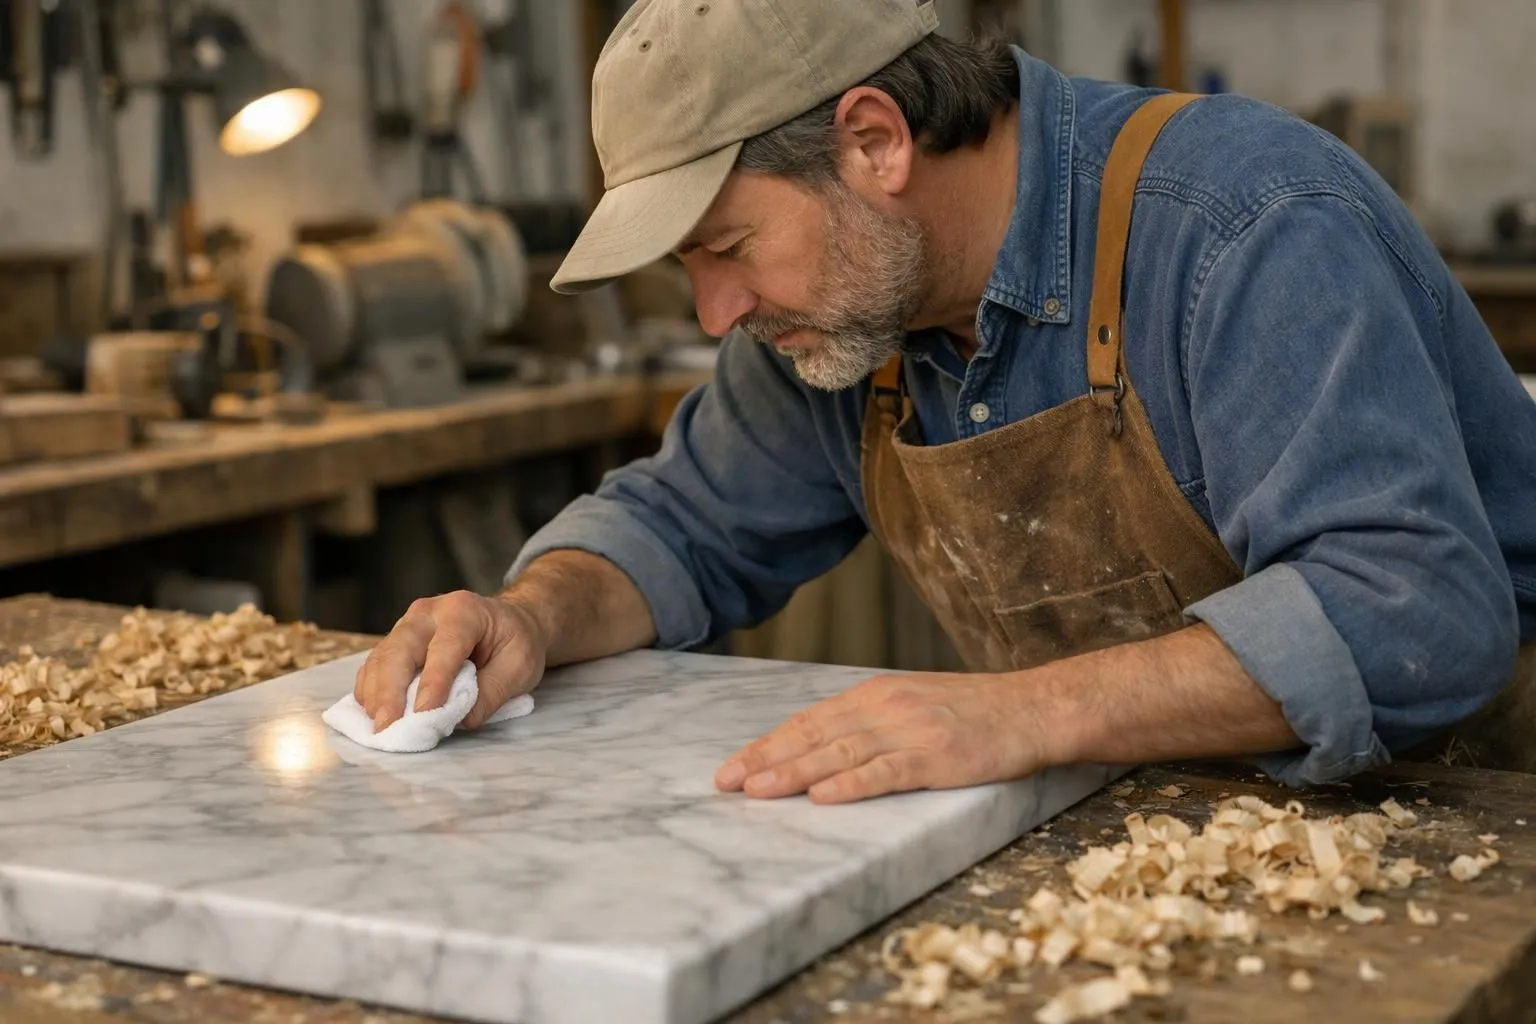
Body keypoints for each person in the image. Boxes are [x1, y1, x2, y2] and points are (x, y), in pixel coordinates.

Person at [355, 0, 1536, 802]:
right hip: (1157, 837)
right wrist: (534, 615)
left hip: (1463, 811)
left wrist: (1018, 715)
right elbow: (679, 528)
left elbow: (1418, 613)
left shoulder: (1243, 227)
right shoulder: (847, 321)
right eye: (689, 272)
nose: (717, 314)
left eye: (729, 246)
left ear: (873, 141)